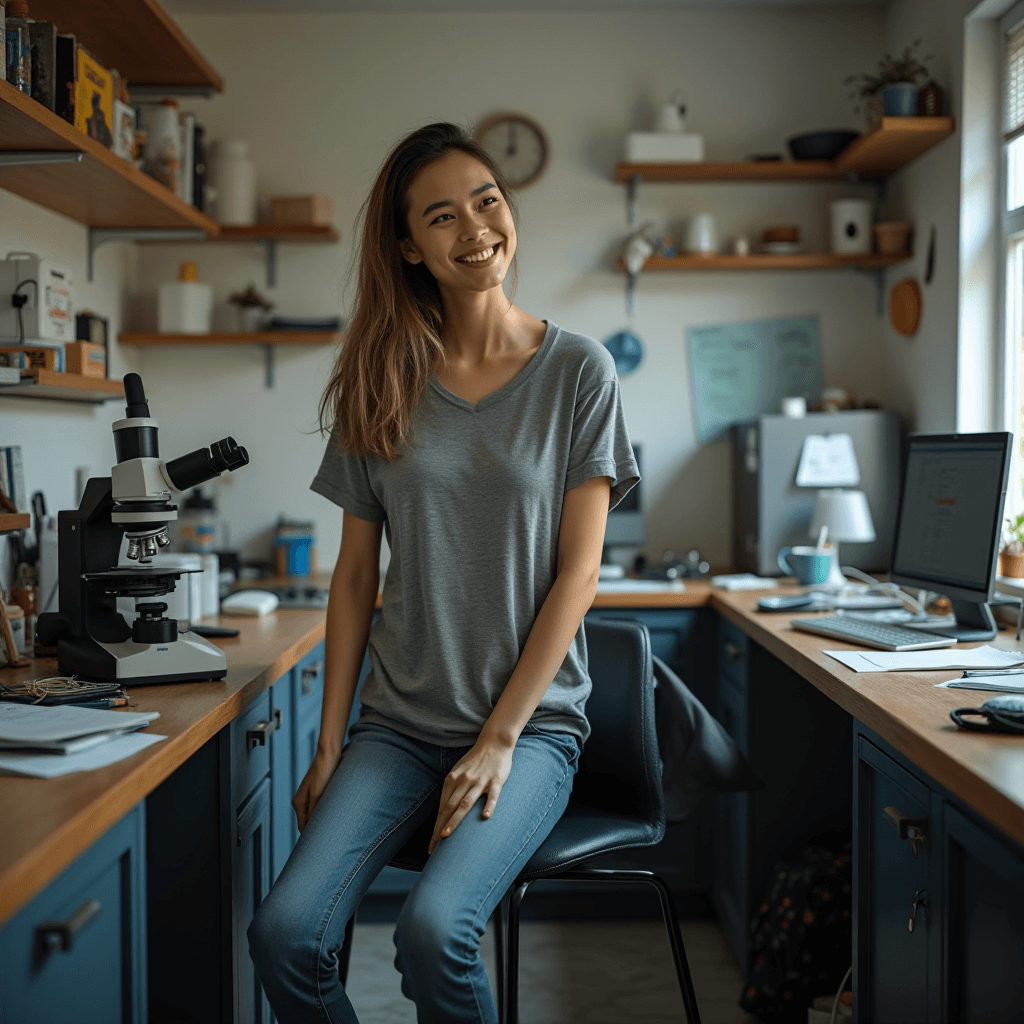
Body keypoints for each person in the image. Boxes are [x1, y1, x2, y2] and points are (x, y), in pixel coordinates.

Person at [247, 121, 640, 1024]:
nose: (475, 229)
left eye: (487, 201)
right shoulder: (377, 375)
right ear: (408, 247)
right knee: (285, 934)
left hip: (531, 731)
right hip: (398, 727)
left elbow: (579, 573)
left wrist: (499, 739)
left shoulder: (578, 370)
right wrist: (330, 742)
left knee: (432, 932)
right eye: (441, 216)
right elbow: (354, 578)